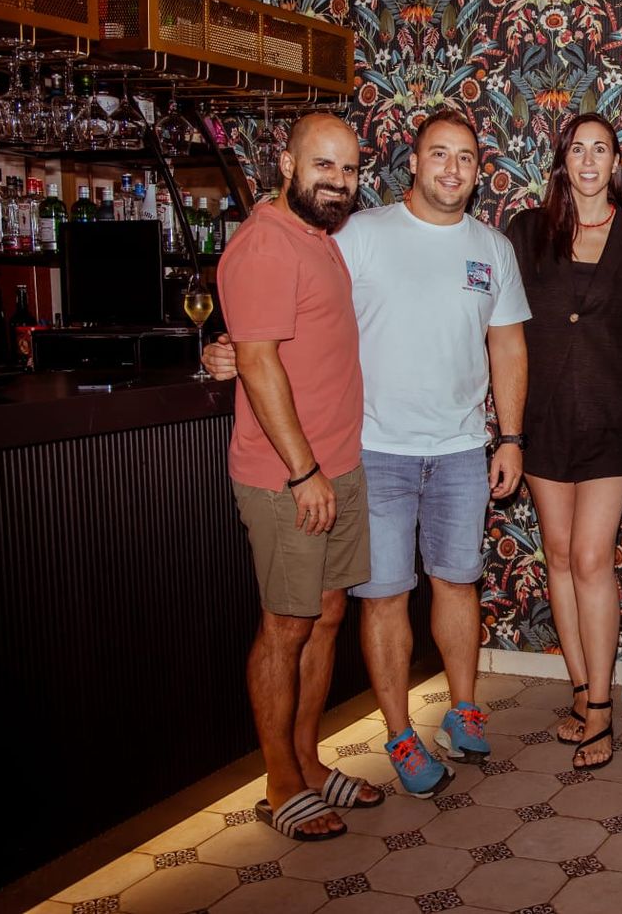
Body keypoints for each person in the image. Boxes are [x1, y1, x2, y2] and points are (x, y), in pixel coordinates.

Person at [210, 108, 530, 799]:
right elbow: (264, 326)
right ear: (412, 162)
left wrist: (509, 435)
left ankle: (458, 710)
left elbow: (508, 344)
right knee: (372, 600)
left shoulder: (488, 248)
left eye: (466, 157)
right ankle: (393, 738)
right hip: (368, 450)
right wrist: (223, 349)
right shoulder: (355, 232)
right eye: (438, 153)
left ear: (481, 171)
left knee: (438, 586)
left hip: (452, 450)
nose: (452, 167)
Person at [219, 113, 370, 840]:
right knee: (285, 624)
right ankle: (280, 782)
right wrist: (303, 468)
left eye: (348, 169)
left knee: (327, 612)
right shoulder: (264, 244)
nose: (338, 182)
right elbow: (256, 361)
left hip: (337, 465)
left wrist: (329, 467)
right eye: (323, 166)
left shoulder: (319, 238)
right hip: (291, 476)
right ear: (286, 163)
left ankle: (310, 760)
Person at [504, 113, 622, 771]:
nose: (589, 159)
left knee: (592, 557)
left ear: (617, 161)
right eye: (577, 149)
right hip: (544, 419)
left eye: (601, 149)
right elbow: (497, 322)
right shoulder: (527, 231)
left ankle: (601, 712)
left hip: (615, 420)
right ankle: (581, 687)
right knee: (557, 555)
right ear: (561, 160)